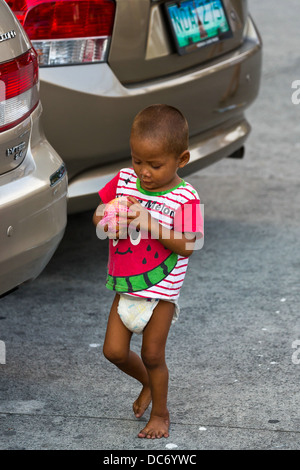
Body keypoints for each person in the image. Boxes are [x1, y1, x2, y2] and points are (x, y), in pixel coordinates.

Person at [93, 104, 204, 439]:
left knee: (153, 355)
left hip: (161, 295)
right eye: (137, 160)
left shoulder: (186, 197)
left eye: (155, 165)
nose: (143, 172)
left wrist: (149, 223)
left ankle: (161, 413)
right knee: (112, 351)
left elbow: (189, 244)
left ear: (181, 159)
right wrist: (106, 217)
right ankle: (147, 383)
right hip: (126, 288)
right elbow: (99, 217)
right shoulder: (125, 180)